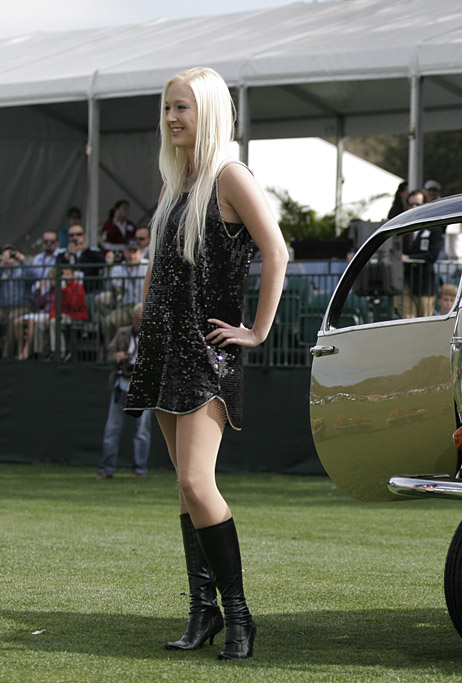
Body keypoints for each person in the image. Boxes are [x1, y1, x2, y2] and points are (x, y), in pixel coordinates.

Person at [123, 67, 288, 660]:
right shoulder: (176, 182)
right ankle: (203, 614)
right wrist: (143, 325)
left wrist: (257, 330)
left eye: (183, 108)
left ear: (209, 112)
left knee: (198, 481)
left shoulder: (229, 175)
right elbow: (157, 268)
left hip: (206, 353)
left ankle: (239, 618)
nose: (172, 118)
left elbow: (277, 250)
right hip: (165, 348)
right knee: (185, 489)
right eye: (168, 108)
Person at [95, 304, 152, 480]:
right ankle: (106, 468)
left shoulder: (153, 336)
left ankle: (140, 469)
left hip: (143, 388)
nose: (139, 325)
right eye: (137, 321)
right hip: (121, 386)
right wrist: (118, 356)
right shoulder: (123, 333)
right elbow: (109, 353)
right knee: (111, 430)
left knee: (142, 432)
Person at [401, 189, 444, 317]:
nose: (413, 207)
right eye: (411, 204)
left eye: (418, 204)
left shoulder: (434, 228)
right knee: (407, 318)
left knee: (424, 318)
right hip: (405, 280)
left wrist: (409, 258)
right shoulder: (404, 227)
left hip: (424, 282)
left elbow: (432, 255)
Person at [96, 239, 147, 343]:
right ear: (124, 252)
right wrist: (109, 266)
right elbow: (110, 286)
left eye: (134, 251)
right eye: (129, 251)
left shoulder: (147, 266)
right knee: (109, 322)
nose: (131, 255)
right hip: (126, 306)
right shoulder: (118, 268)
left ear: (140, 252)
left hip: (143, 305)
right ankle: (111, 350)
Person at [0, 244, 32, 358]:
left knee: (12, 318)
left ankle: (6, 355)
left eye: (12, 253)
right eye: (7, 254)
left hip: (21, 307)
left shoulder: (22, 269)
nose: (10, 256)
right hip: (3, 308)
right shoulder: (2, 270)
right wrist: (2, 264)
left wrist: (24, 262)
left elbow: (35, 277)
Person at [59, 223, 108, 293]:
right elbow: (57, 266)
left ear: (84, 236)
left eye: (78, 234)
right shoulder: (64, 252)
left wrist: (86, 250)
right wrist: (68, 254)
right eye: (71, 235)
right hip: (69, 292)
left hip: (89, 291)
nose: (75, 238)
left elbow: (102, 262)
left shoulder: (93, 251)